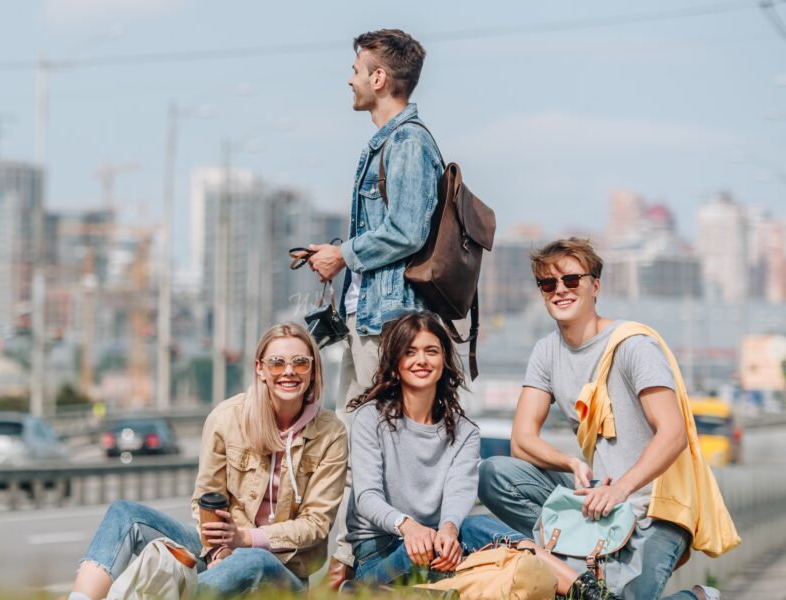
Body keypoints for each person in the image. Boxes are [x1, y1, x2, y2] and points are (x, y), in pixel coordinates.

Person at [478, 238, 731, 600]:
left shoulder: (633, 345)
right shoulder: (546, 351)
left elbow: (673, 434)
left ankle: (697, 598)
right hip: (598, 498)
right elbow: (521, 440)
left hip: (656, 510)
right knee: (493, 473)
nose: (560, 291)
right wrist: (569, 462)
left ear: (595, 285)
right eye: (548, 284)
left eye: (571, 280)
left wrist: (620, 488)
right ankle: (565, 557)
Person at [68, 322, 348, 599]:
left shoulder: (330, 432)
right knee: (125, 514)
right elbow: (206, 499)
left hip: (285, 572)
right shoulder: (227, 418)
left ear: (313, 371)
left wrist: (245, 539)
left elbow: (316, 524)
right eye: (277, 363)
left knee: (252, 559)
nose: (288, 371)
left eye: (300, 363)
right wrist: (218, 550)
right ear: (260, 369)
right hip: (219, 553)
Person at [305, 28, 443, 578]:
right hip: (370, 320)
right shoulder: (387, 142)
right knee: (351, 438)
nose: (351, 79)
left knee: (367, 447)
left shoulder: (408, 143)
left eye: (358, 70)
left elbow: (407, 229)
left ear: (379, 78)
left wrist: (343, 254)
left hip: (389, 324)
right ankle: (345, 561)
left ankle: (352, 565)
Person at [345, 311, 586, 595]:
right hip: (382, 553)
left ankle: (585, 590)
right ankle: (374, 589)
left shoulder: (464, 431)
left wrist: (448, 530)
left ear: (444, 361)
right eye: (410, 352)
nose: (421, 360)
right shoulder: (370, 419)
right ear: (396, 365)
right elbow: (366, 496)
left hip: (441, 548)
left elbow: (459, 493)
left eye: (431, 351)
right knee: (466, 533)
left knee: (478, 529)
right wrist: (408, 527)